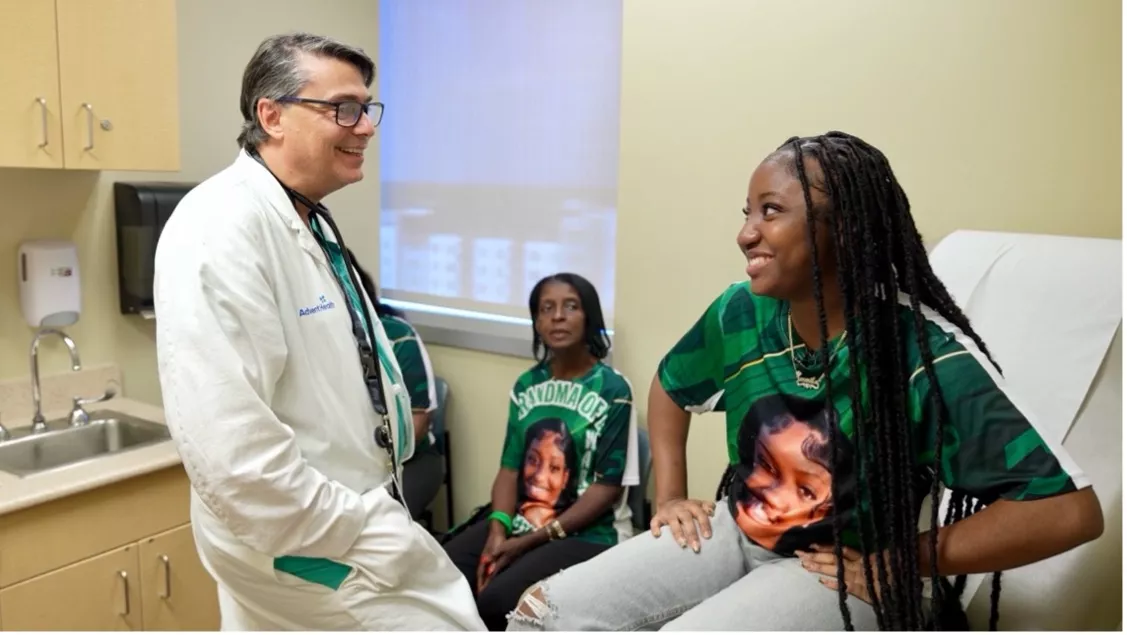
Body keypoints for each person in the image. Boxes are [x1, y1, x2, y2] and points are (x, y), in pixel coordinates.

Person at [506, 131, 1103, 631]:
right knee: (541, 613)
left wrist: (904, 563)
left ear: (843, 229)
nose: (746, 234)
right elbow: (669, 387)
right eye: (747, 213)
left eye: (771, 211)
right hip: (739, 529)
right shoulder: (740, 311)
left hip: (837, 571)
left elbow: (1068, 511)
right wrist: (669, 498)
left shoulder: (921, 353)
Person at [152, 32, 484, 631]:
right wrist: (365, 528)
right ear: (271, 116)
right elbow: (235, 457)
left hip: (339, 518)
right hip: (312, 539)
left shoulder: (303, 219)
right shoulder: (219, 228)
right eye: (344, 109)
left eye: (366, 108)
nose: (365, 127)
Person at [442, 273, 639, 630]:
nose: (557, 316)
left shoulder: (614, 389)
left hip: (590, 532)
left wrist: (527, 543)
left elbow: (606, 489)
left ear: (590, 317)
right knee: (443, 573)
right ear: (536, 321)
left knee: (497, 601)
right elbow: (509, 470)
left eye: (570, 307)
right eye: (546, 309)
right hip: (521, 519)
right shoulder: (527, 384)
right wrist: (499, 530)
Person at [350, 248, 446, 522]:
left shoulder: (396, 335)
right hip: (344, 463)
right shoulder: (315, 339)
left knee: (376, 525)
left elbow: (418, 421)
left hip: (409, 460)